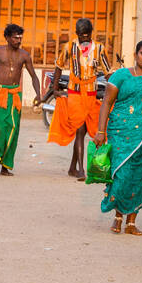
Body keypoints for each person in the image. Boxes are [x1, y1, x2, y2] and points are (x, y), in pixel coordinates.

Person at [94, 39, 142, 234]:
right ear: (136, 55)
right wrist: (100, 131)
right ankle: (118, 217)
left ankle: (131, 222)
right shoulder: (120, 76)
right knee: (122, 174)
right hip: (120, 131)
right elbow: (106, 103)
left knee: (140, 175)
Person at [48, 17, 110, 179]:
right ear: (77, 34)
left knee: (82, 132)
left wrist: (117, 91)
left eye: (87, 35)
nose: (84, 38)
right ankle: (81, 170)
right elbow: (59, 67)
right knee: (80, 128)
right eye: (81, 35)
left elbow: (108, 72)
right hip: (74, 93)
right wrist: (54, 89)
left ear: (91, 33)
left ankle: (72, 168)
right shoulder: (69, 47)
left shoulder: (100, 48)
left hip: (91, 93)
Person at [0, 24, 40, 176]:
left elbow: (34, 76)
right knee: (0, 129)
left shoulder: (24, 55)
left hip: (15, 95)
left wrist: (39, 94)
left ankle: (6, 166)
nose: (18, 40)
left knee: (13, 130)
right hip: (1, 93)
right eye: (15, 37)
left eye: (20, 37)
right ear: (7, 38)